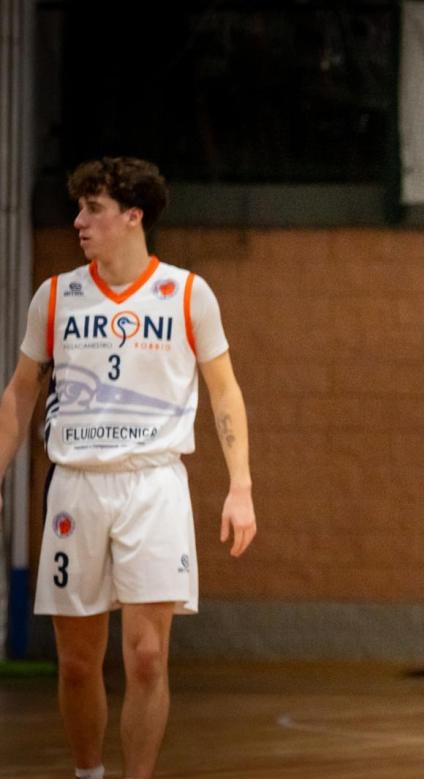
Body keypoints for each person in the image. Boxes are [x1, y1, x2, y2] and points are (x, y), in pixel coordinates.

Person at [0, 157, 256, 779]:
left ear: (133, 216)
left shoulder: (189, 294)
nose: (79, 221)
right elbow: (20, 392)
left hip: (154, 484)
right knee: (78, 664)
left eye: (94, 209)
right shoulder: (55, 296)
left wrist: (240, 486)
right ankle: (90, 773)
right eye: (79, 209)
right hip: (76, 486)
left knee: (146, 658)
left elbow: (224, 392)